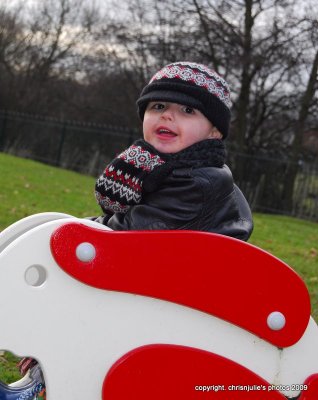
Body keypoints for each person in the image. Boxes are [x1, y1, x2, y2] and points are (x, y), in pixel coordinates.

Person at [94, 61, 253, 241]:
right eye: (159, 106)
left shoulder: (196, 184)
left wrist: (74, 226)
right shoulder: (162, 168)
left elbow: (127, 235)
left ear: (214, 131)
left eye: (187, 110)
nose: (167, 115)